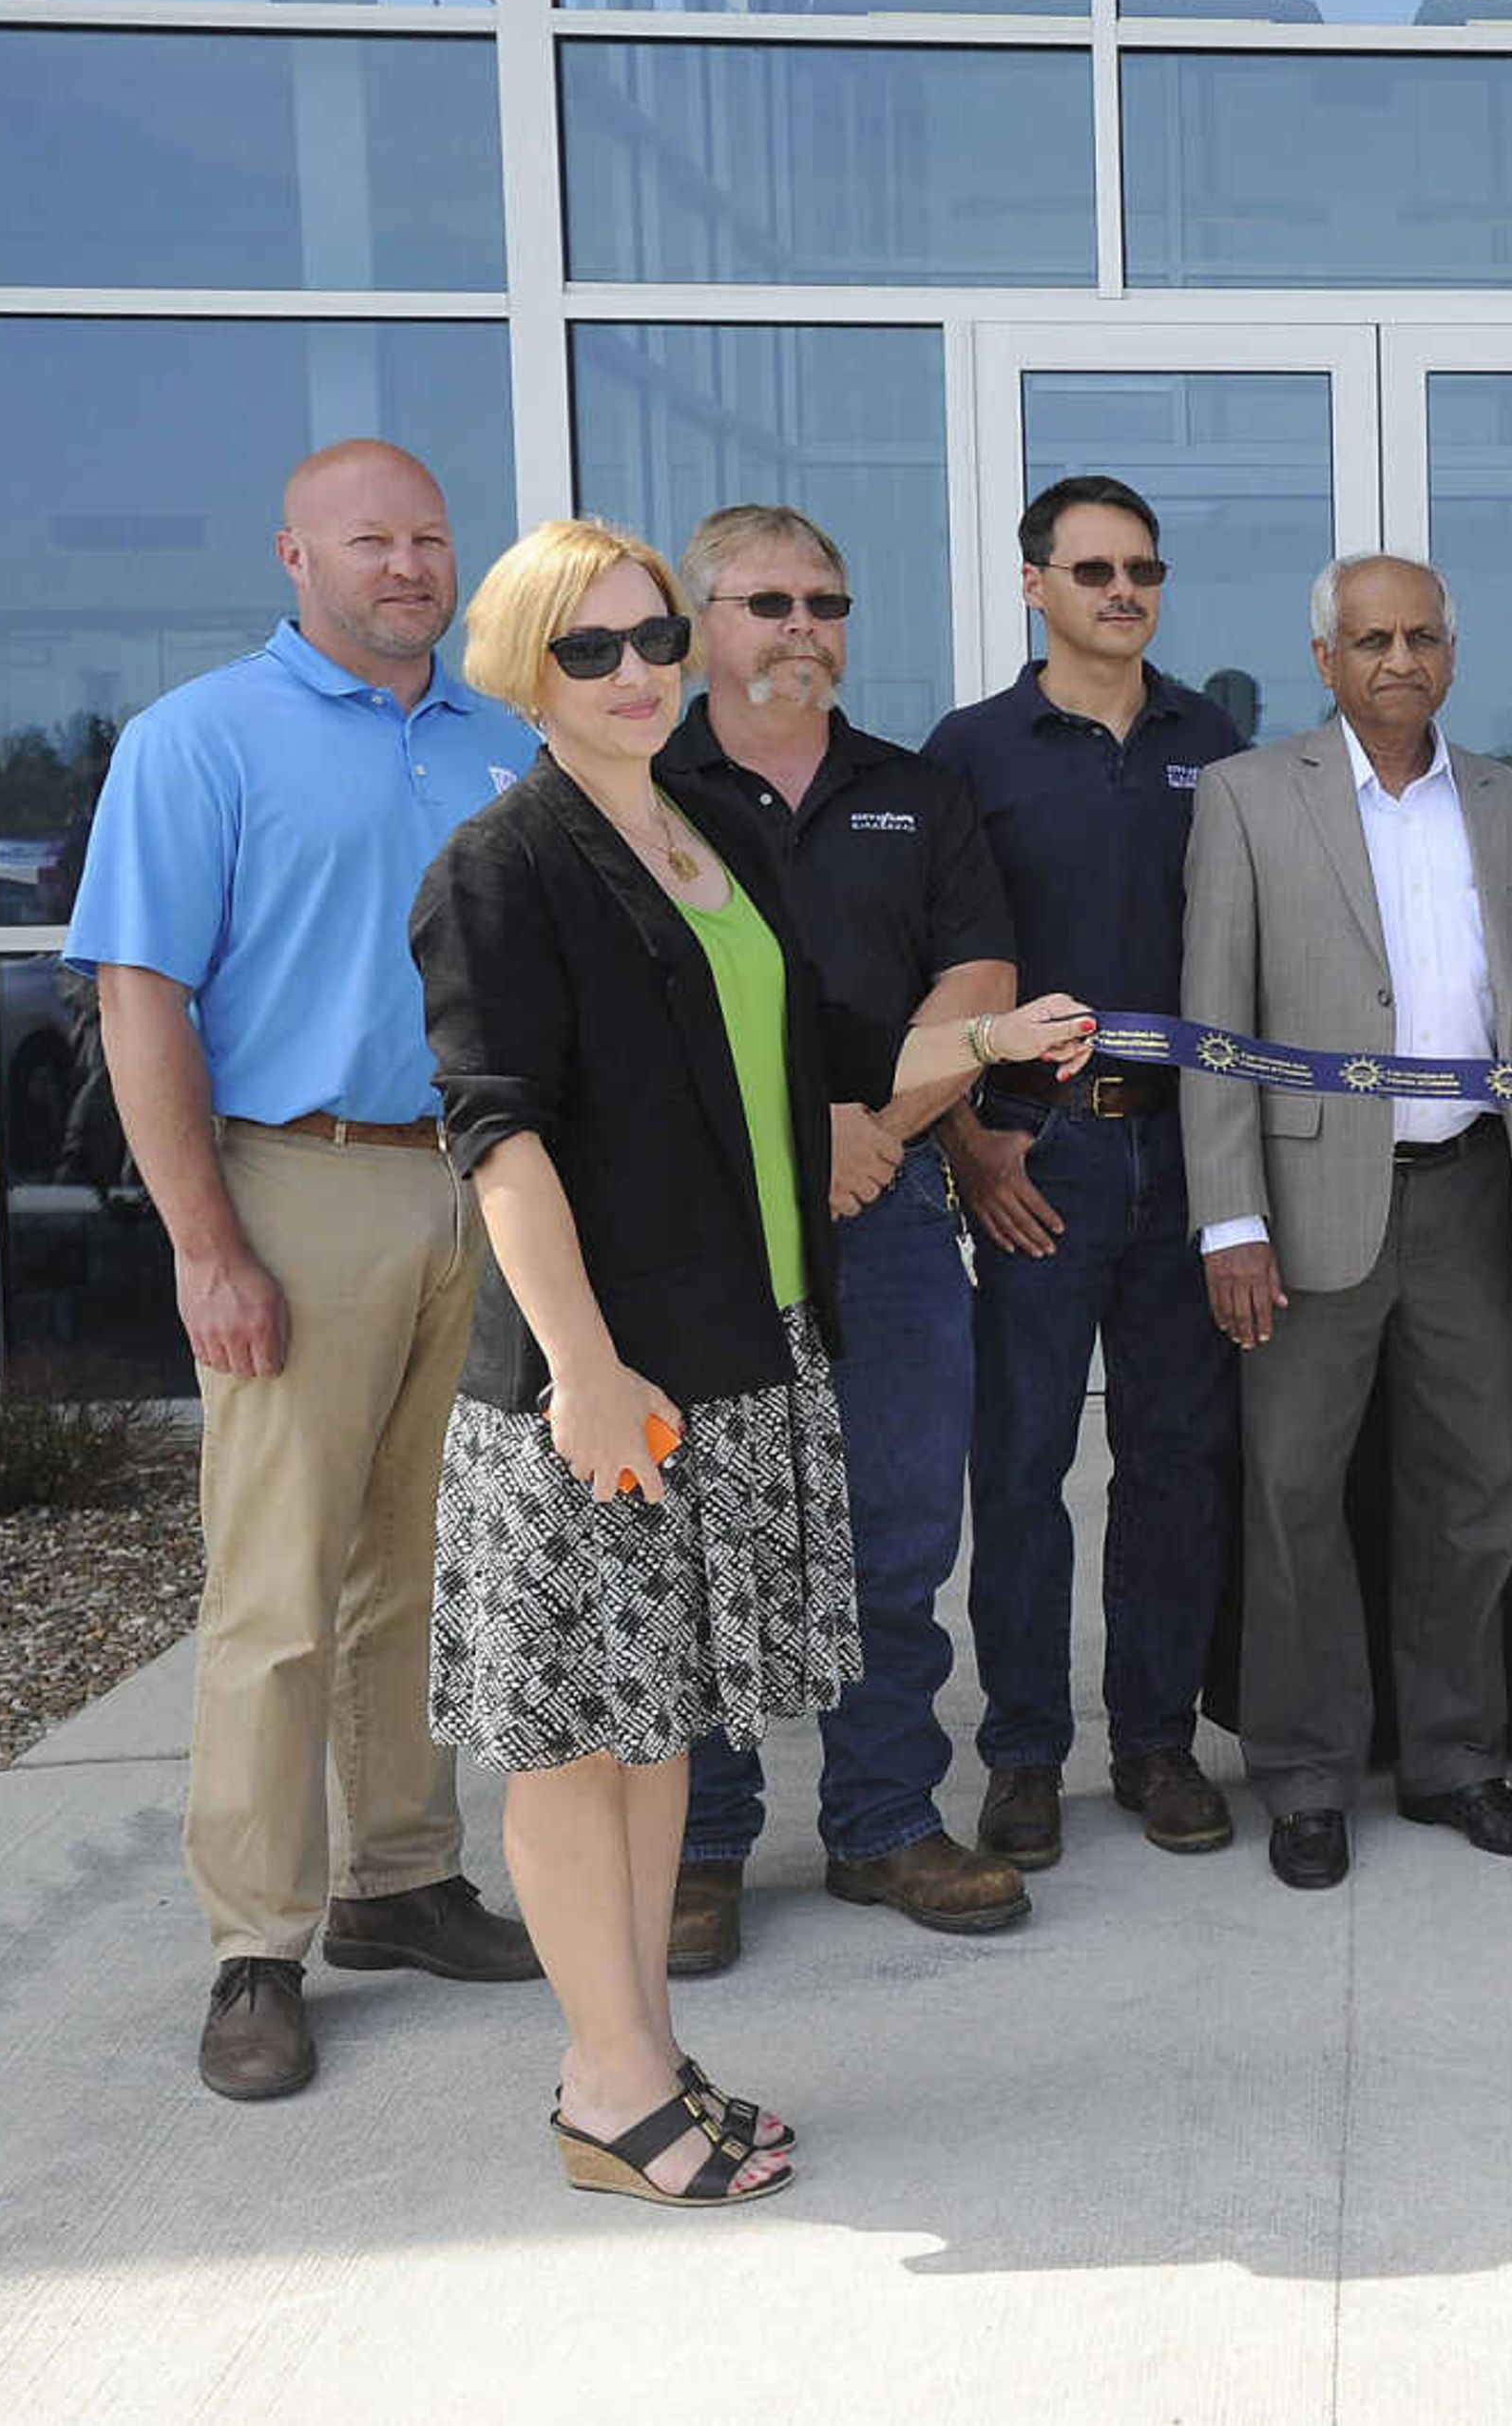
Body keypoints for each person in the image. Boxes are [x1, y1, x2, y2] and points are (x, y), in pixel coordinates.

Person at [411, 517, 1096, 2206]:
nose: (636, 673)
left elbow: (827, 1050)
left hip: (736, 1355)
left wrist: (994, 1037)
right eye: (592, 650)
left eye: (653, 640)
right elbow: (501, 1140)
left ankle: (630, 2058)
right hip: (605, 1386)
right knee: (582, 1751)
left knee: (658, 1734)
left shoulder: (707, 829)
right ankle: (612, 2087)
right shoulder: (502, 865)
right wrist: (579, 1369)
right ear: (523, 669)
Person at [68, 438, 541, 2105]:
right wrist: (208, 1243)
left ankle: (401, 1878)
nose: (407, 564)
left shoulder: (502, 743)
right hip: (298, 1179)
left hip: (477, 1190)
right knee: (275, 1591)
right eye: (369, 540)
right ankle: (251, 1945)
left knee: (420, 1563)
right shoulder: (202, 740)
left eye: (428, 537)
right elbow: (144, 1004)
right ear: (294, 554)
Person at [1184, 554, 1512, 1892]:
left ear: (1453, 655)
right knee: (1297, 1492)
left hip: (1481, 1190)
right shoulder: (1252, 799)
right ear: (1325, 661)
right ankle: (1304, 1776)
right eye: (1369, 640)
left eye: (1421, 636)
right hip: (1305, 1209)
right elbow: (1216, 1025)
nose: (1397, 661)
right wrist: (1228, 1220)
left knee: (1482, 1488)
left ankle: (1455, 1757)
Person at [656, 505, 1029, 1972]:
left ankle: (884, 1820)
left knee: (895, 1525)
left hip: (890, 1209)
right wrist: (799, 1138)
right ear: (701, 627)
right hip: (694, 1224)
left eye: (825, 599)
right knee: (704, 1539)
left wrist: (869, 1131)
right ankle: (701, 1845)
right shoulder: (641, 787)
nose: (800, 626)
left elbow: (981, 977)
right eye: (765, 602)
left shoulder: (916, 793)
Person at [927, 476, 1246, 1873]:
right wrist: (964, 1135)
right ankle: (1023, 1755)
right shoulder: (971, 751)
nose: (1125, 589)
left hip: (1189, 1150)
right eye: (1095, 568)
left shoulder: (1215, 740)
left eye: (1144, 568)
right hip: (1035, 1154)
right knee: (1026, 1461)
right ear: (1034, 583)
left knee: (1178, 1457)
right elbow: (928, 962)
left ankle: (1157, 1740)